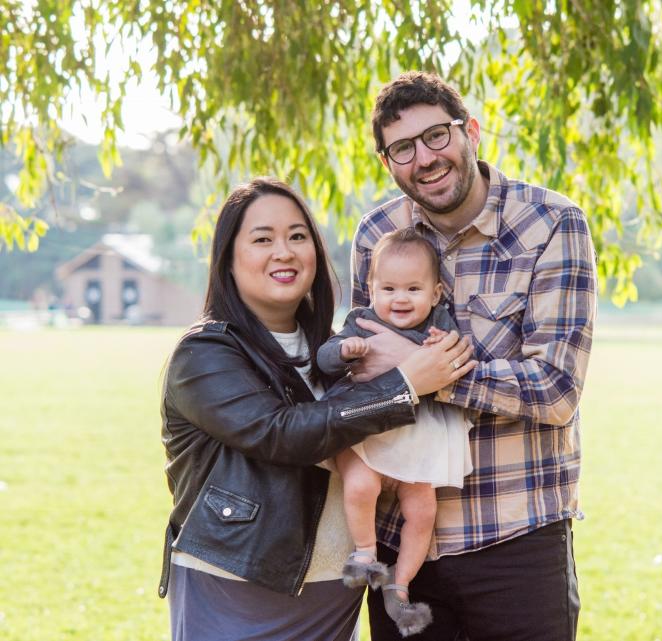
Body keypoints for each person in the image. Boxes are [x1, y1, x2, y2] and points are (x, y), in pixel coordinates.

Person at [158, 177, 476, 641]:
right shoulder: (205, 354)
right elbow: (281, 434)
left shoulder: (336, 345)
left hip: (333, 594)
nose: (284, 251)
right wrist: (406, 383)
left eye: (298, 236)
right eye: (263, 239)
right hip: (239, 586)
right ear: (228, 258)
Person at [349, 72, 597, 641]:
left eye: (436, 136)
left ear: (471, 132)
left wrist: (431, 377)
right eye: (402, 148)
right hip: (401, 542)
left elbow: (557, 389)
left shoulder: (551, 224)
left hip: (516, 538)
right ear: (388, 163)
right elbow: (365, 367)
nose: (425, 158)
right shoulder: (376, 235)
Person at [316, 228, 474, 637]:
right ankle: (366, 553)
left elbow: (460, 356)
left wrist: (447, 343)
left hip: (418, 433)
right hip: (369, 428)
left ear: (436, 293)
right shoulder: (361, 322)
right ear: (370, 289)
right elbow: (325, 358)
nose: (399, 299)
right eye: (388, 288)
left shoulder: (440, 323)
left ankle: (401, 583)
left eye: (413, 289)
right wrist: (343, 351)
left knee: (422, 511)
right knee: (360, 486)